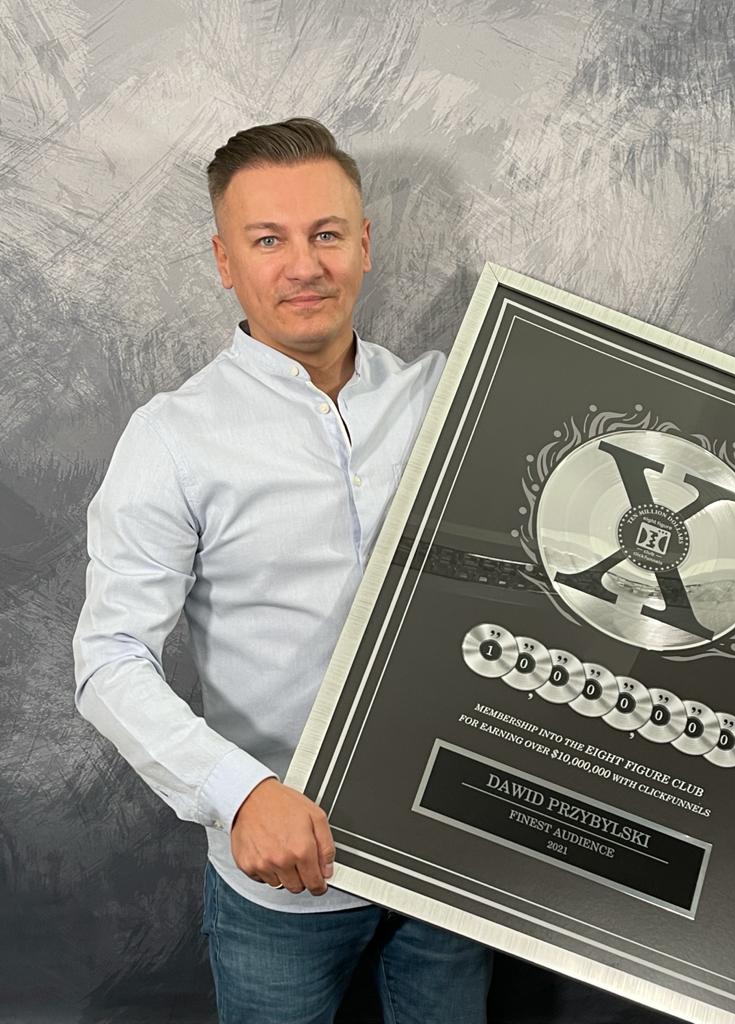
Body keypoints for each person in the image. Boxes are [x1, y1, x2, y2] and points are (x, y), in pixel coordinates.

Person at [72, 118, 493, 1024]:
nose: (305, 266)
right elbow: (108, 659)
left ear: (365, 244)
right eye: (268, 240)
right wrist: (241, 794)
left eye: (326, 234)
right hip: (280, 890)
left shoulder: (454, 395)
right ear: (225, 260)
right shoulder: (171, 438)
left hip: (454, 865)